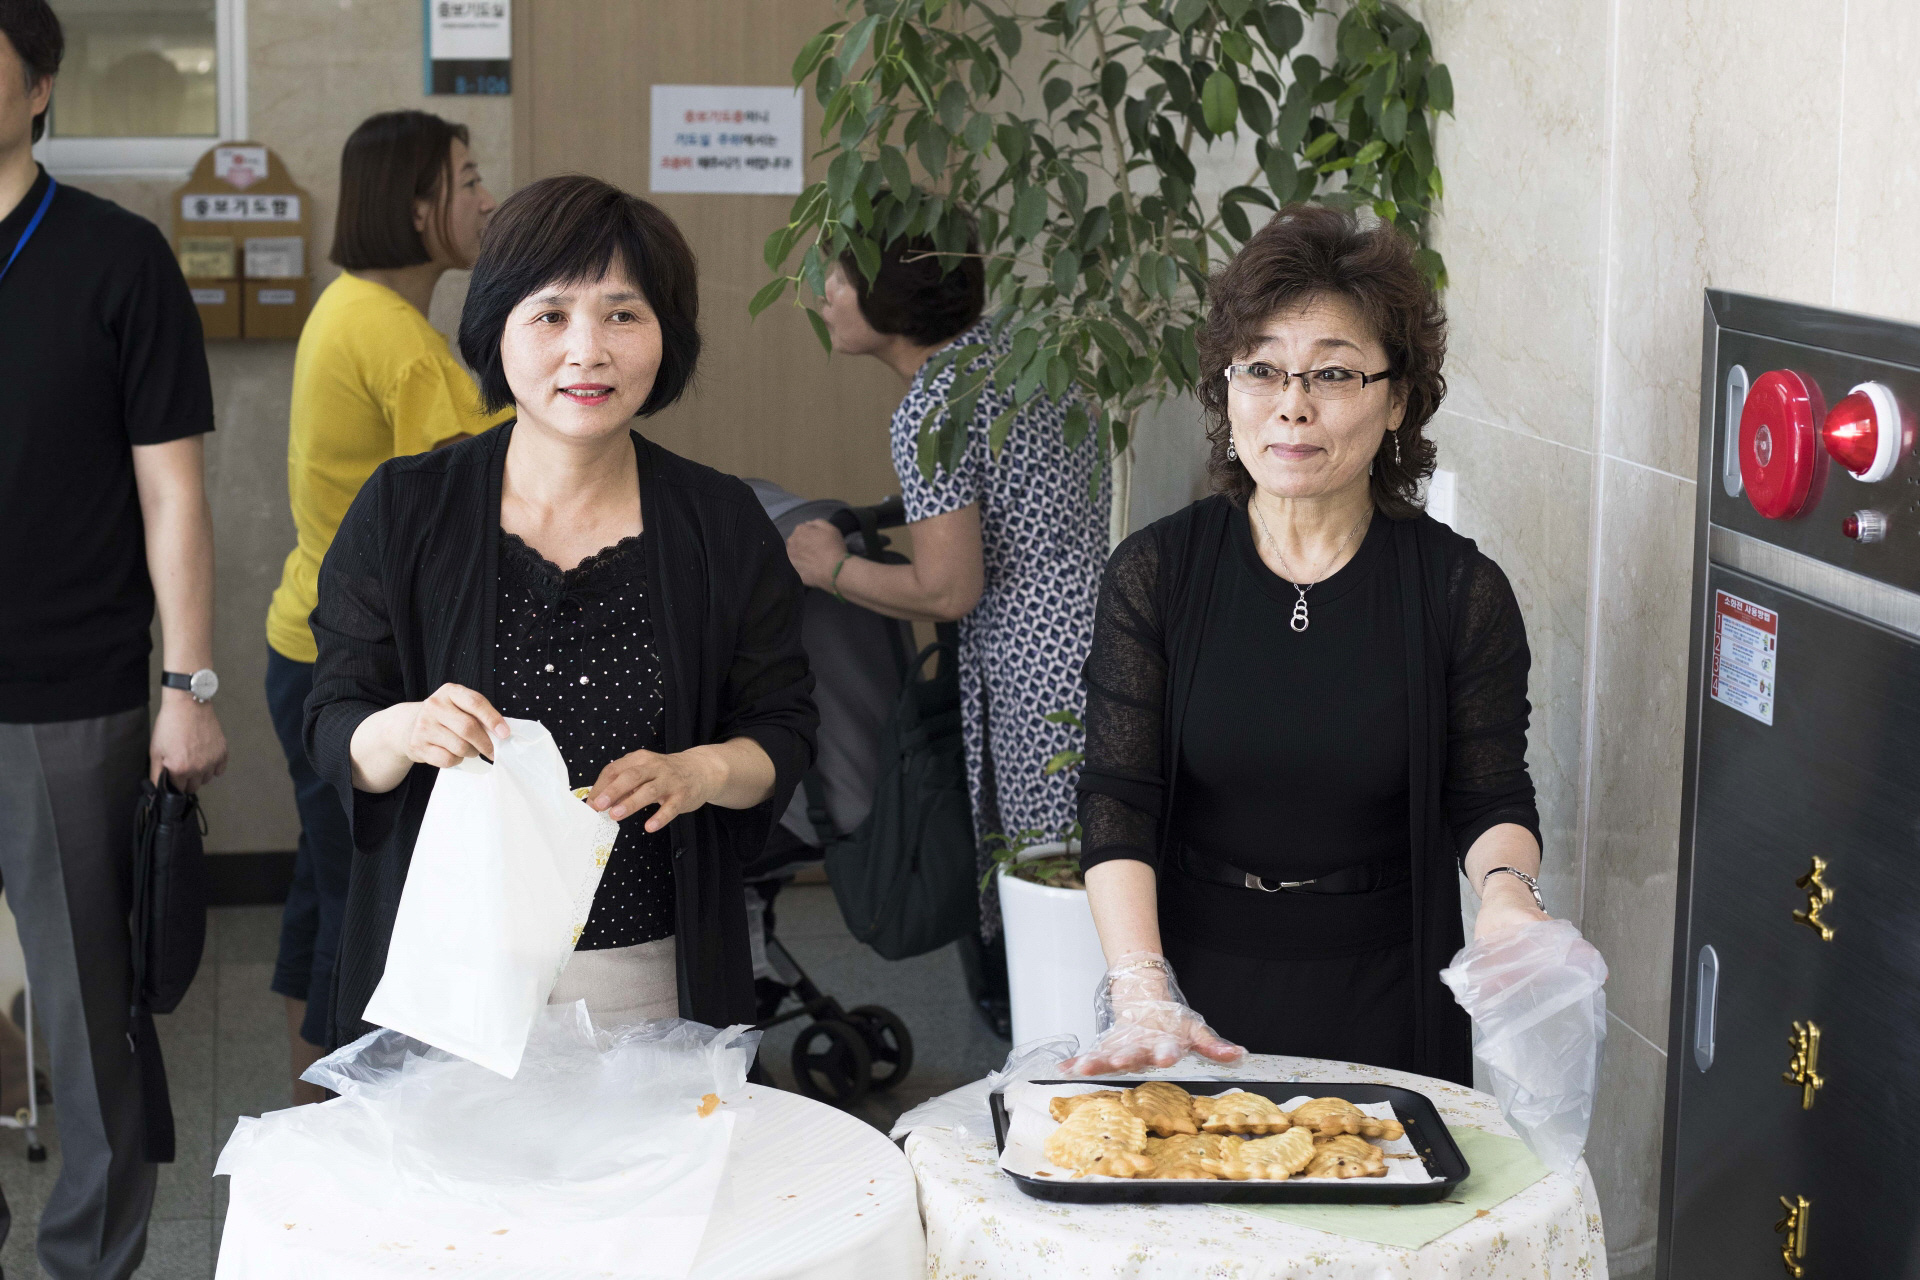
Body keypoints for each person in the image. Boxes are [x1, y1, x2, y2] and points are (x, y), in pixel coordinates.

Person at [305, 174, 817, 1042]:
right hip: (445, 973)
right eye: (550, 315)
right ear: (495, 331)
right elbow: (333, 720)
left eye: (622, 315)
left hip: (653, 972)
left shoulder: (721, 523)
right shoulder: (405, 508)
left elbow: (784, 728)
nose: (588, 351)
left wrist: (700, 772)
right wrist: (407, 729)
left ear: (666, 336)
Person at [1067, 205, 1549, 1082]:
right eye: (1261, 369)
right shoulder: (1156, 573)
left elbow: (1488, 798)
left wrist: (1510, 898)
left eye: (1332, 373)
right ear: (1226, 389)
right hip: (1188, 990)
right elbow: (1117, 801)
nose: (1292, 405)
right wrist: (1142, 986)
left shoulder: (1458, 591)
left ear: (1397, 400)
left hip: (1390, 990)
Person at [0, 1, 228, 1275]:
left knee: (90, 1010)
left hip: (66, 695)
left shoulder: (116, 257)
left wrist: (187, 682)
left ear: (40, 87)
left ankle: (88, 1258)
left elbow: (172, 494)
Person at [785, 222, 1109, 1037]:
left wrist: (828, 567)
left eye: (839, 278)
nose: (823, 297)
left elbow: (948, 588)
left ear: (889, 298)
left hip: (1032, 667)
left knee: (1049, 892)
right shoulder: (1025, 353)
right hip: (1099, 636)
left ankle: (1062, 1057)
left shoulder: (934, 408)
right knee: (1098, 875)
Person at [264, 109, 507, 1104]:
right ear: (418, 208)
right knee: (359, 907)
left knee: (323, 887)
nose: (487, 199)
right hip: (357, 667)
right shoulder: (398, 340)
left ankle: (304, 1102)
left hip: (305, 643)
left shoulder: (351, 306)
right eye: (469, 179)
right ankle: (332, 1126)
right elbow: (480, 496)